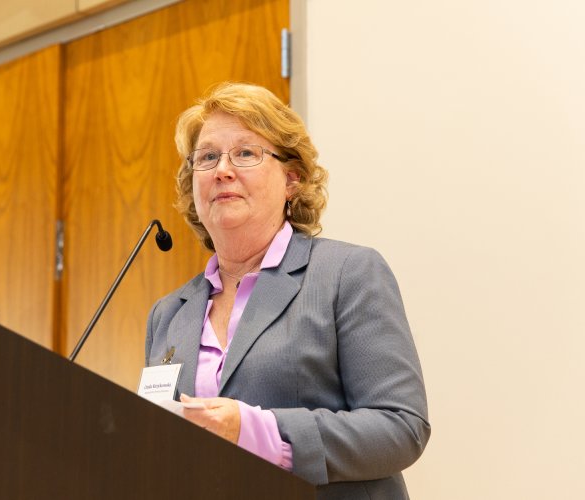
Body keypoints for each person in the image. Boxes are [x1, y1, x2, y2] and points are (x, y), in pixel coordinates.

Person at [145, 82, 430, 499]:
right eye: (207, 157)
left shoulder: (347, 274)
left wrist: (258, 431)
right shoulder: (168, 314)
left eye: (245, 153)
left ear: (292, 179)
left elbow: (401, 427)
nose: (222, 170)